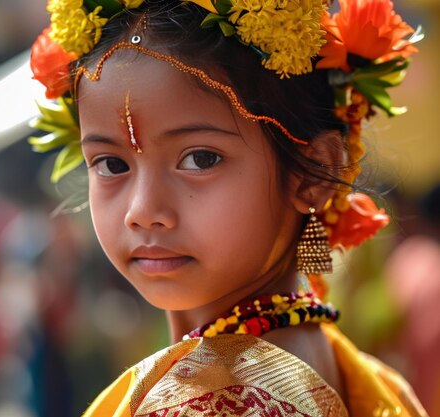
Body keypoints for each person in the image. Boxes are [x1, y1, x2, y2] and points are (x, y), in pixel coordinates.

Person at [28, 0, 429, 415]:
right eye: (112, 165)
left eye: (200, 159)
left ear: (315, 173)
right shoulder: (348, 367)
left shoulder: (215, 401)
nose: (142, 209)